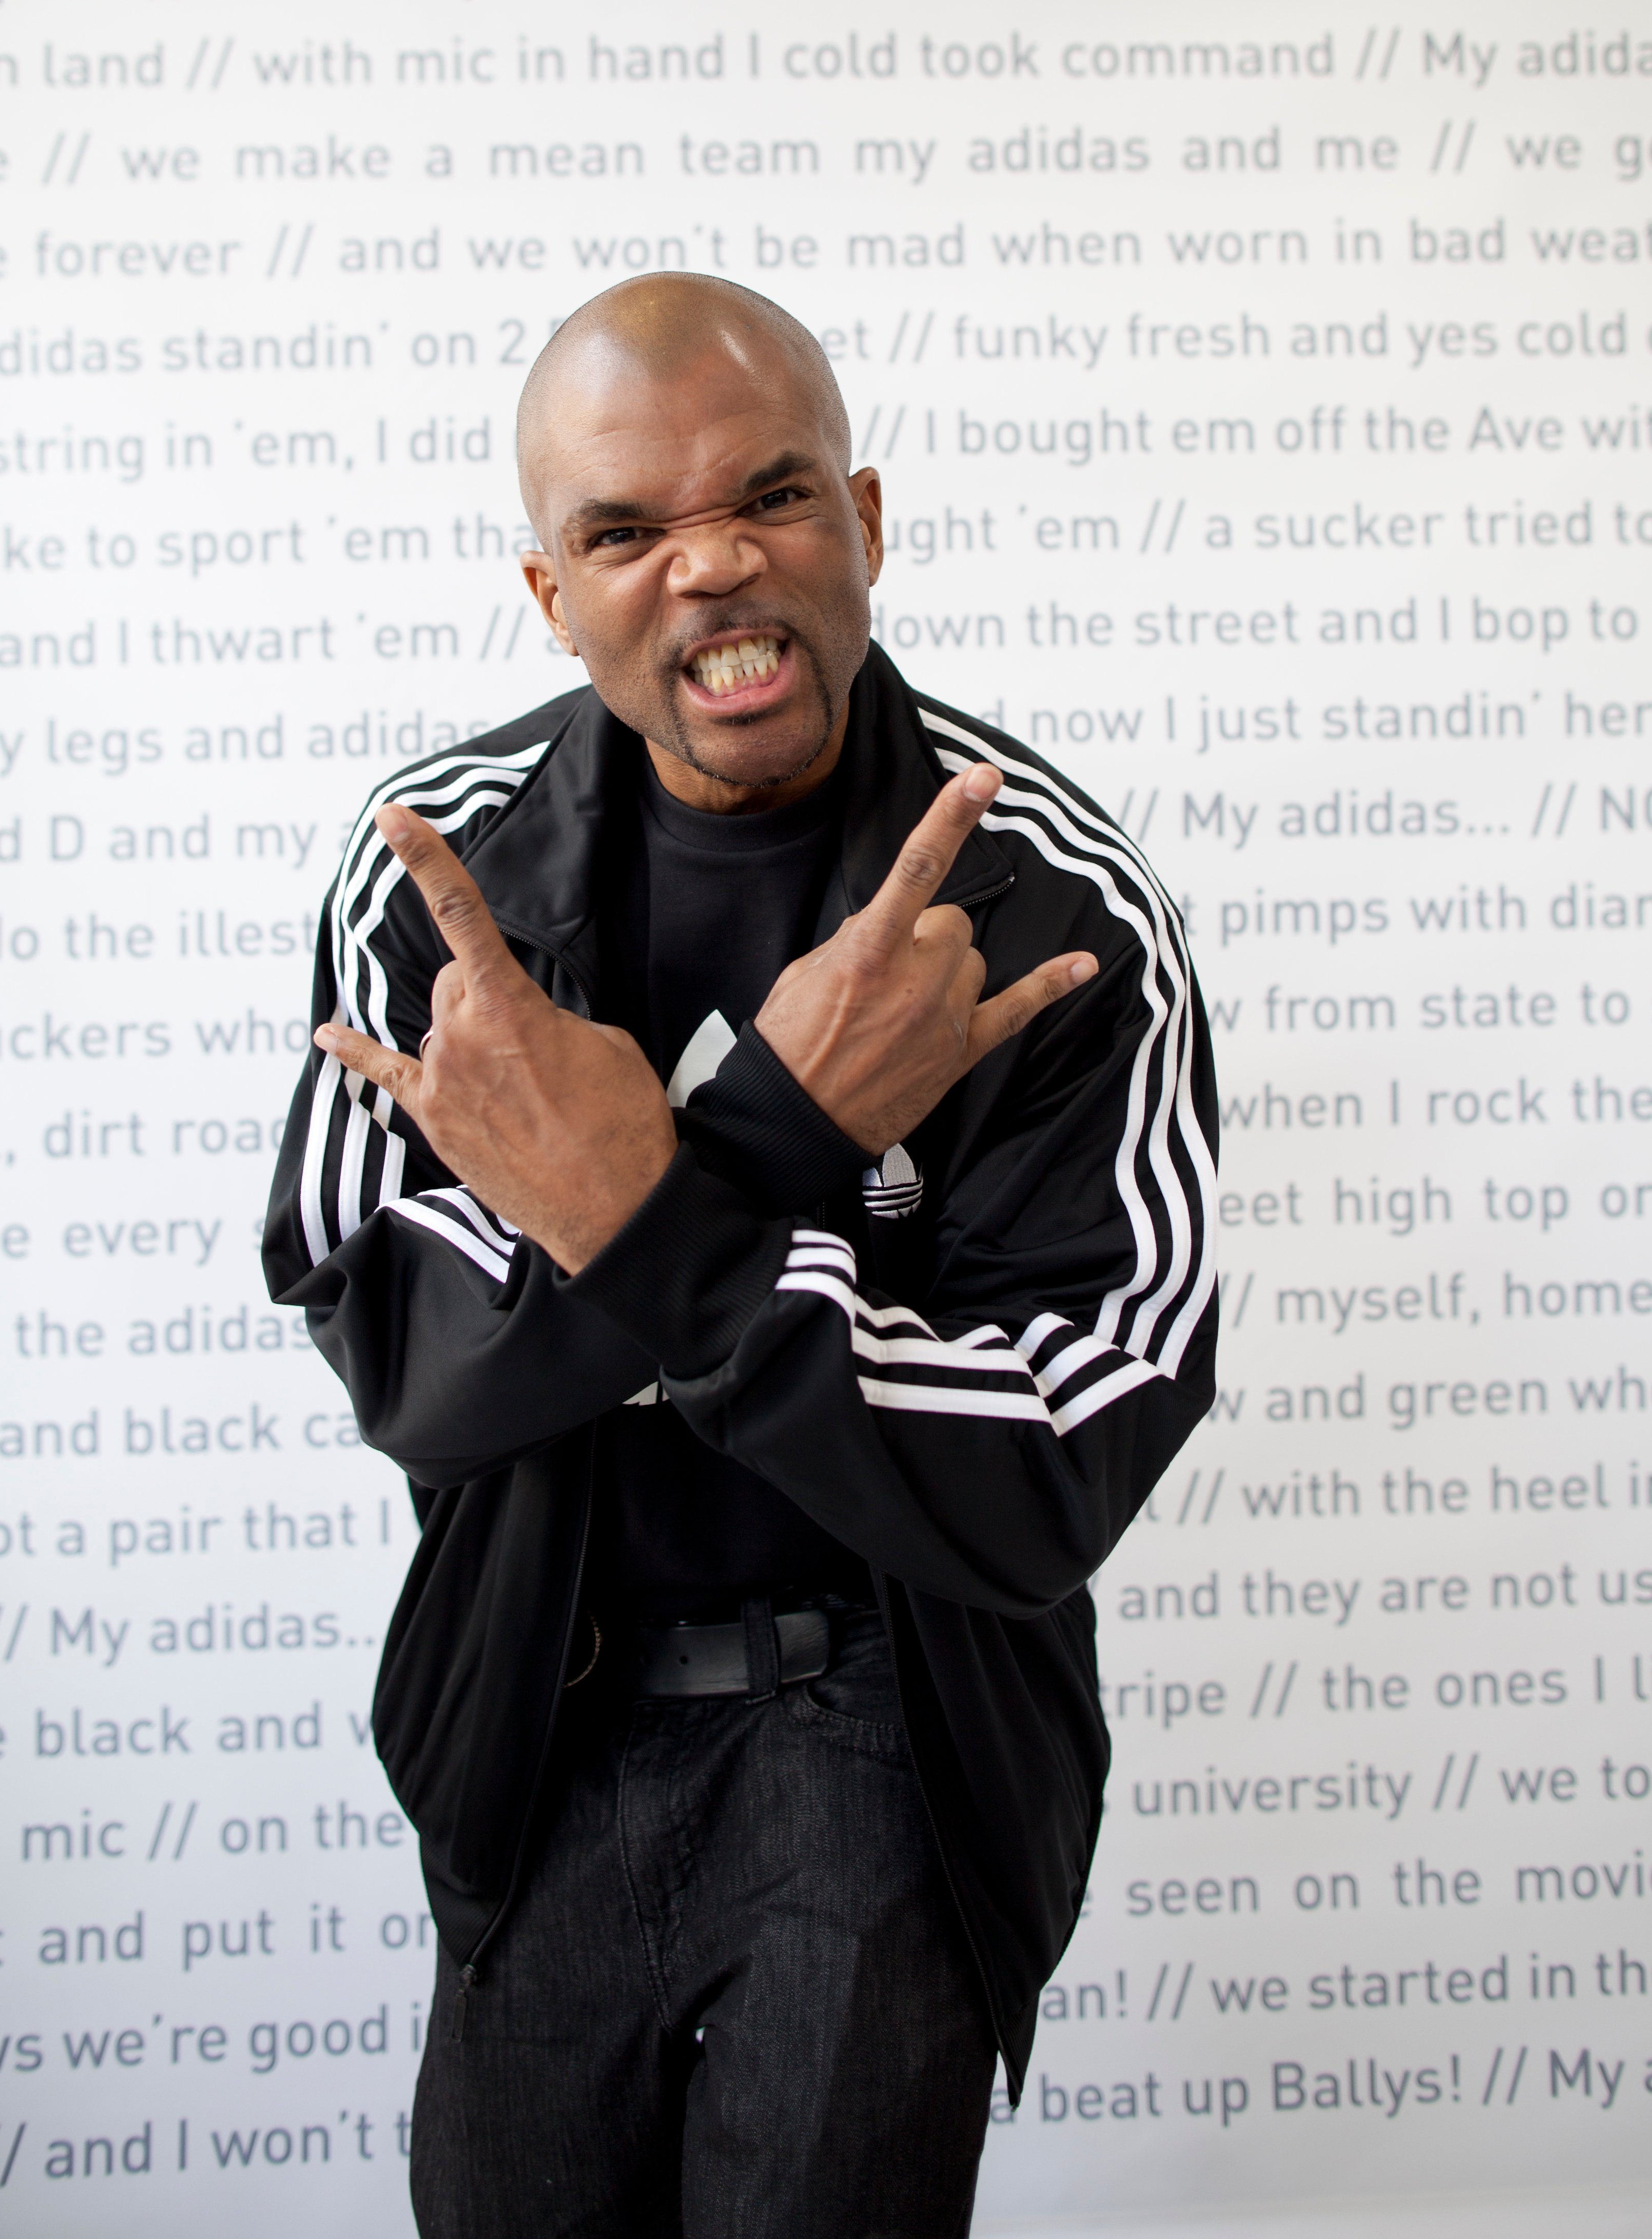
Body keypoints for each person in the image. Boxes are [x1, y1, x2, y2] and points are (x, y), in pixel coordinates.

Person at [263, 274, 1217, 2238]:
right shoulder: (442, 872)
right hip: (542, 1712)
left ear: (862, 519)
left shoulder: (1055, 905)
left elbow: (1056, 1455)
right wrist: (778, 1138)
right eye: (624, 530)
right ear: (554, 595)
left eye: (771, 495)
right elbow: (409, 1359)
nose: (710, 566)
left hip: (890, 1732)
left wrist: (641, 1211)